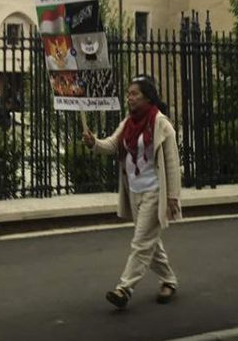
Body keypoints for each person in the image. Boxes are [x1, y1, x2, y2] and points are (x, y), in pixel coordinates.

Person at [82, 75, 182, 309]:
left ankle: (124, 289)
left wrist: (173, 196)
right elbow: (112, 145)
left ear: (147, 96)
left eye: (134, 93)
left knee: (140, 242)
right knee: (150, 243)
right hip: (134, 190)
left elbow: (171, 162)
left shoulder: (160, 123)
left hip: (155, 192)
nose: (130, 97)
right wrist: (93, 142)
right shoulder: (128, 122)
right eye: (128, 93)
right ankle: (169, 280)